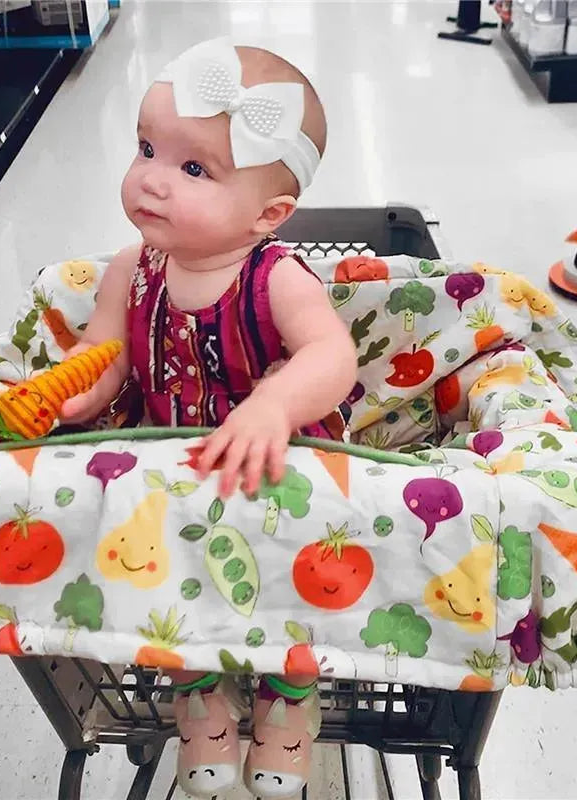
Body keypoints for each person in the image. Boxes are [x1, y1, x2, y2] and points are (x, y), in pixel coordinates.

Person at [58, 38, 357, 799]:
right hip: (174, 469)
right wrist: (79, 395)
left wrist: (274, 404)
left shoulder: (277, 278)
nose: (151, 181)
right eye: (147, 148)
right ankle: (203, 707)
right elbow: (109, 352)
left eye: (192, 169)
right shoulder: (133, 268)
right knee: (169, 587)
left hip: (275, 472)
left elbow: (333, 357)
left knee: (292, 588)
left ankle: (289, 709)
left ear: (269, 215)